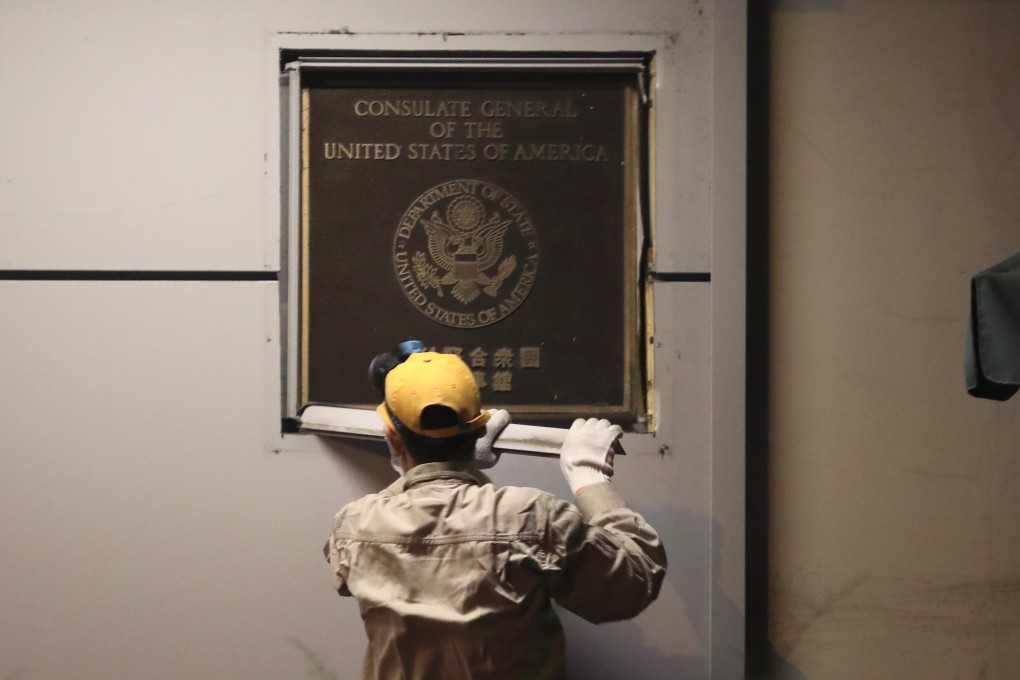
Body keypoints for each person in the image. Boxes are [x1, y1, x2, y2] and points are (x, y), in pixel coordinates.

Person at [324, 351, 666, 679]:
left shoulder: (353, 526)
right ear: (478, 429)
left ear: (392, 438)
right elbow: (635, 582)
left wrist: (419, 473)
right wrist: (589, 479)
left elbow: (390, 542)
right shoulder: (533, 518)